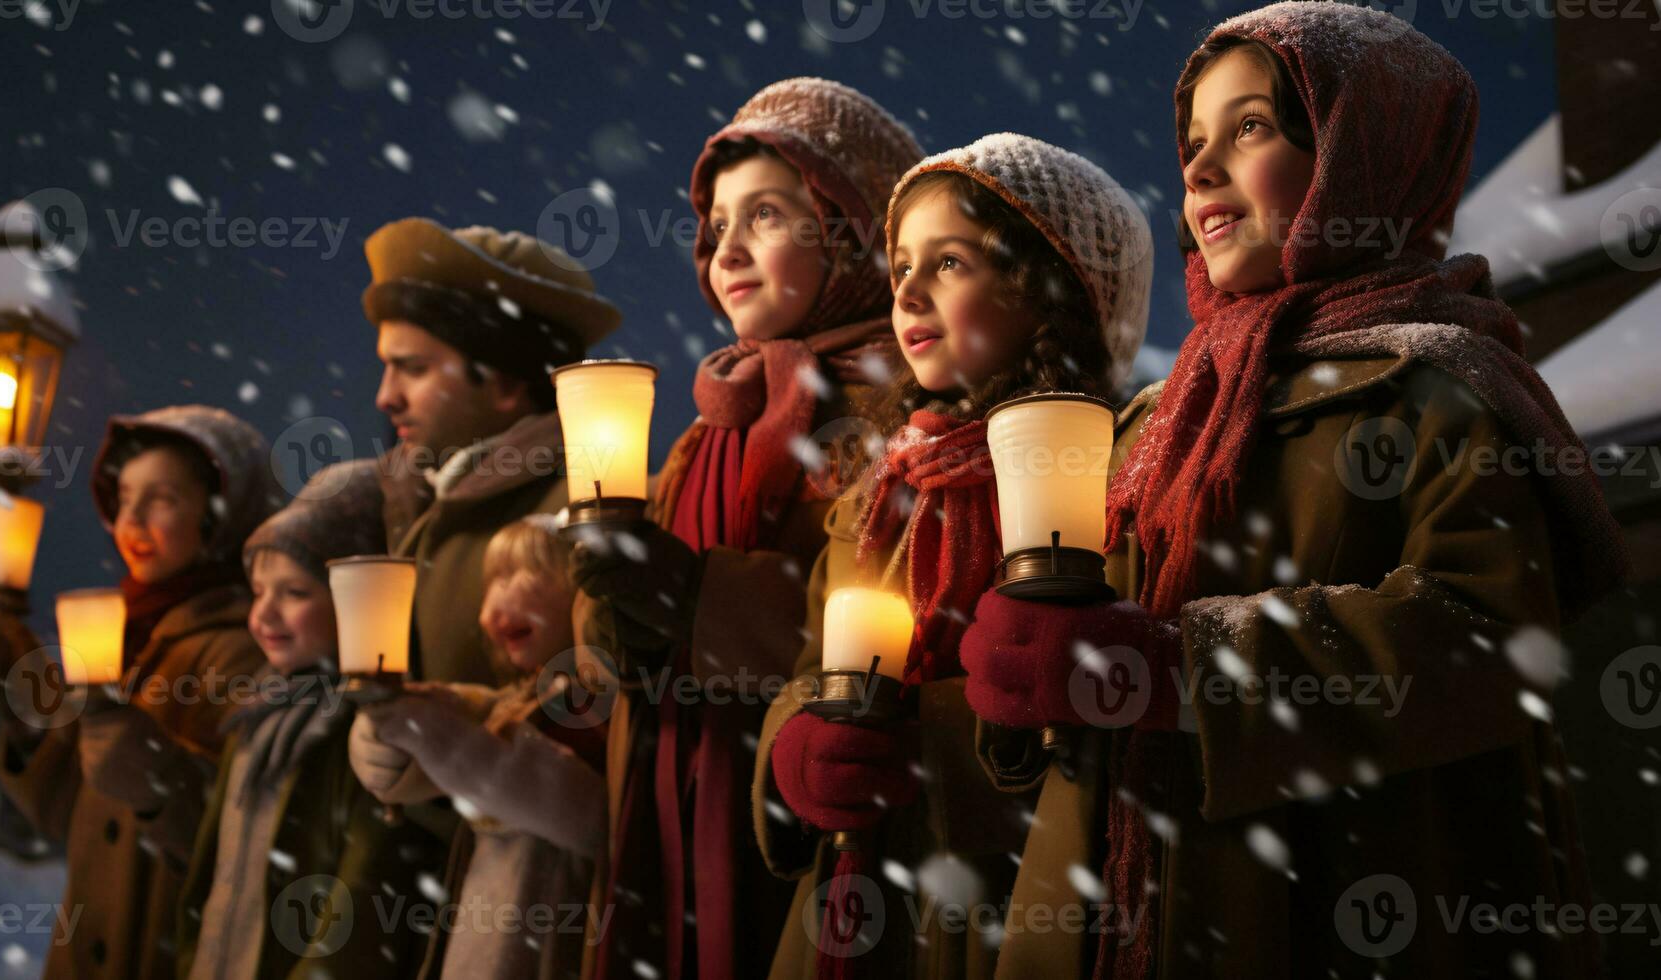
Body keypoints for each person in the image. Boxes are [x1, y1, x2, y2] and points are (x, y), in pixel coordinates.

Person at [958, 5, 1628, 977]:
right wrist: (1026, 677)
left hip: (1333, 903)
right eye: (1192, 143)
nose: (1197, 170)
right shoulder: (1162, 419)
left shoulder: (1440, 391)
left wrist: (1180, 666)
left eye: (1253, 128)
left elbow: (1482, 638)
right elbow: (1094, 655)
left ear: (1366, 153)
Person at [753, 133, 1153, 978]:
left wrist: (935, 737)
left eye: (949, 263)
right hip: (863, 882)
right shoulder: (875, 490)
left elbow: (1093, 694)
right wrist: (796, 743)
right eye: (900, 266)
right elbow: (805, 667)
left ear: (1050, 291)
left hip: (1011, 889)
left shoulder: (1108, 470)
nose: (907, 289)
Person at [569, 77, 923, 980]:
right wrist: (607, 620)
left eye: (765, 214)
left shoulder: (894, 410)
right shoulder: (704, 426)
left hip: (796, 802)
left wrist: (695, 600)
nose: (726, 246)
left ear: (849, 229)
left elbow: (881, 612)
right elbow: (636, 591)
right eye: (715, 224)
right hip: (666, 788)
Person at [0, 405, 276, 978]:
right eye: (125, 494)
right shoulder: (128, 635)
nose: (130, 517)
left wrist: (161, 784)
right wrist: (32, 723)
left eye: (162, 498)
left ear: (221, 516)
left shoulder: (244, 652)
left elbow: (255, 839)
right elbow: (73, 816)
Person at [176, 459, 444, 978]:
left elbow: (363, 893)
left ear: (356, 603)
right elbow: (209, 872)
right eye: (258, 592)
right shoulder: (257, 717)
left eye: (295, 593)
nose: (265, 614)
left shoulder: (364, 728)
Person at [366, 219, 622, 688]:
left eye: (414, 369)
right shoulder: (411, 511)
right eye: (386, 367)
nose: (386, 396)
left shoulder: (587, 515)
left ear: (505, 382)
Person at [349, 514, 606, 979]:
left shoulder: (591, 710)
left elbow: (571, 807)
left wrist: (424, 725)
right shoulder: (517, 703)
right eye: (495, 580)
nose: (491, 609)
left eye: (525, 574)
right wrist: (396, 717)